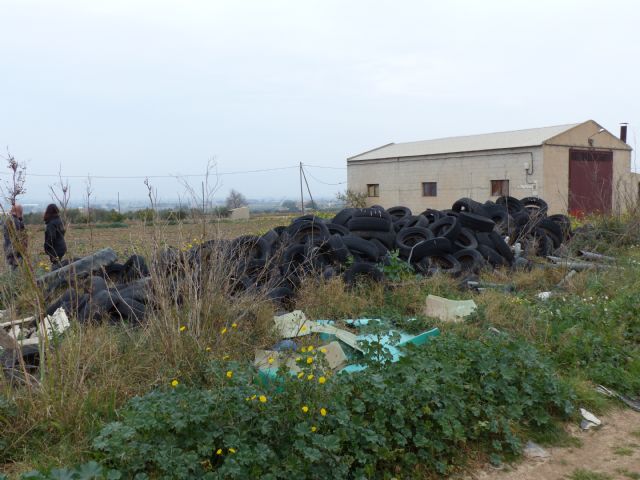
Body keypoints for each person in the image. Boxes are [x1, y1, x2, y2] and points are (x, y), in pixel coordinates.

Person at [3, 203, 27, 270]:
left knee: (12, 268)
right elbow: (20, 236)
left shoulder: (9, 219)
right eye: (21, 211)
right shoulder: (15, 221)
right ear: (19, 211)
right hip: (15, 250)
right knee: (16, 270)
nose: (22, 213)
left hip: (9, 248)